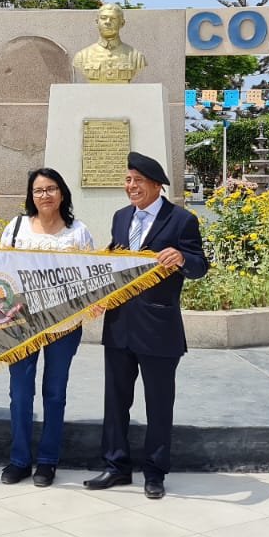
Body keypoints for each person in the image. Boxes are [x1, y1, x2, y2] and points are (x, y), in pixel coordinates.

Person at [85, 152, 209, 499]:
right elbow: (114, 264)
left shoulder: (181, 220)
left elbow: (200, 265)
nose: (131, 187)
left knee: (158, 404)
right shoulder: (121, 218)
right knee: (115, 401)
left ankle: (154, 472)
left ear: (157, 185)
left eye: (138, 181)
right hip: (120, 325)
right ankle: (116, 466)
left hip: (159, 327)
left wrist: (183, 258)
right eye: (127, 180)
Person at [0, 167, 95, 487]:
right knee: (20, 393)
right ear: (31, 196)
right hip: (22, 322)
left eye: (51, 189)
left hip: (63, 326)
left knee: (54, 393)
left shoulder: (78, 232)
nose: (45, 195)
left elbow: (90, 277)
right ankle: (19, 460)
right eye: (38, 191)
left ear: (62, 192)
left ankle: (48, 461)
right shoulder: (16, 228)